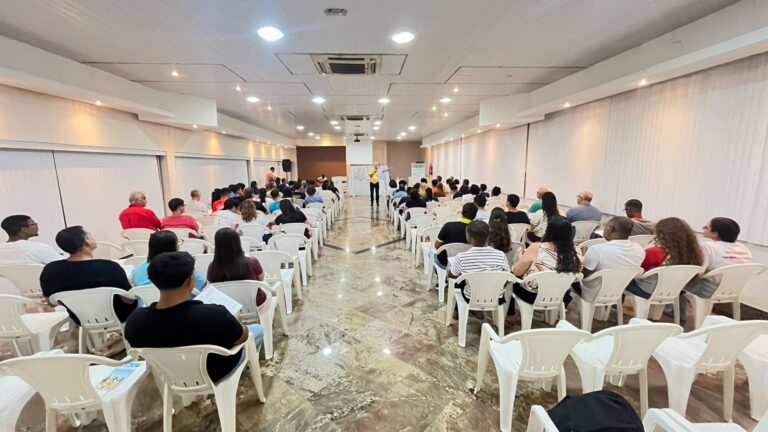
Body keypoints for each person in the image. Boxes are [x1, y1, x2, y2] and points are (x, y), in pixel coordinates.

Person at [125, 251, 264, 382]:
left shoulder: (135, 322)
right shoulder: (213, 314)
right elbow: (242, 337)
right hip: (216, 371)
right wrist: (235, 321)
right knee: (257, 329)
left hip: (172, 375)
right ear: (190, 281)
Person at [41, 226, 137, 323]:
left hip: (79, 318)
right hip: (119, 316)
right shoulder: (110, 267)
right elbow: (129, 300)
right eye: (90, 235)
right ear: (87, 240)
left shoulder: (50, 270)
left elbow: (51, 303)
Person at [677, 217, 752, 322]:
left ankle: (675, 314)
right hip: (734, 289)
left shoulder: (708, 247)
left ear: (715, 233)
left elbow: (699, 271)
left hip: (708, 290)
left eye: (706, 227)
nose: (703, 229)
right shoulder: (743, 248)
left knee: (676, 281)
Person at [625, 217, 703, 301]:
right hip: (675, 290)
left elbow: (637, 269)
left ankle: (617, 306)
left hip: (649, 291)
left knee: (621, 278)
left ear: (661, 234)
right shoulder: (690, 253)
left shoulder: (655, 252)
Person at [512, 216, 581, 310]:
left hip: (533, 296)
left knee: (511, 279)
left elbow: (517, 272)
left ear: (548, 231)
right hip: (560, 295)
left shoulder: (537, 248)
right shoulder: (575, 253)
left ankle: (510, 313)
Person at [576, 216, 644, 301]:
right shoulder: (639, 249)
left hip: (593, 292)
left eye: (605, 225)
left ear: (610, 228)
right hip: (619, 291)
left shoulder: (597, 249)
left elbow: (583, 274)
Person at [448, 220, 510, 303]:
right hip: (495, 297)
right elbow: (507, 276)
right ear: (488, 236)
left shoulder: (462, 257)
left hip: (471, 298)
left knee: (459, 282)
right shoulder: (500, 255)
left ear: (471, 239)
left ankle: (459, 309)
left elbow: (452, 275)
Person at [207, 229, 268, 307]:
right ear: (238, 242)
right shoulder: (252, 261)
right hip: (254, 304)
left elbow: (212, 287)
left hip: (228, 307)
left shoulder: (212, 267)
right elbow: (261, 278)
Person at [131, 230, 207, 290]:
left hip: (149, 304)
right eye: (177, 242)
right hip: (182, 304)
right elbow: (202, 284)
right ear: (173, 248)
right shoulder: (184, 268)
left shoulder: (139, 270)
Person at [434, 203, 478, 269]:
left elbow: (437, 245)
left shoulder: (448, 226)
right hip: (467, 264)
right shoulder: (477, 230)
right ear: (475, 216)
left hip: (445, 262)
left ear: (462, 213)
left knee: (432, 254)